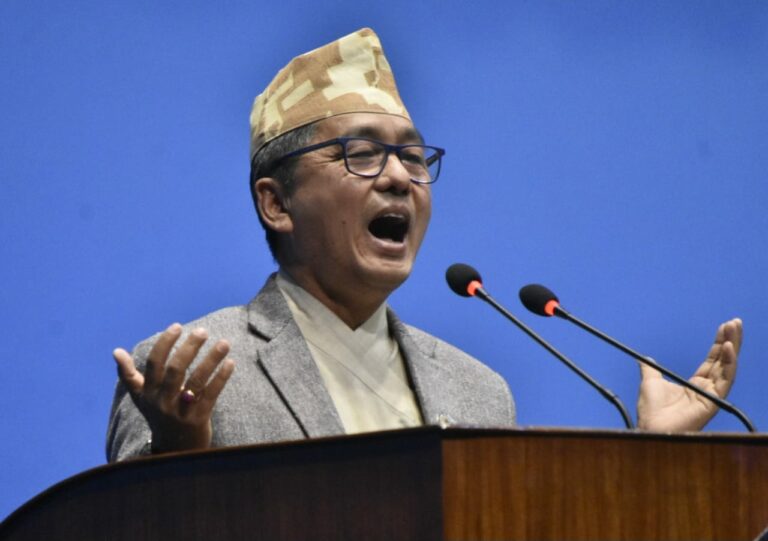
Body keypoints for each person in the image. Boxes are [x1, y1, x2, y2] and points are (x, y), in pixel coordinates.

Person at [107, 28, 742, 462]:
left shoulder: (479, 392)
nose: (397, 177)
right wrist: (180, 449)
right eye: (360, 153)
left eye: (413, 157)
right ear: (276, 204)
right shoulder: (187, 377)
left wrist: (656, 454)